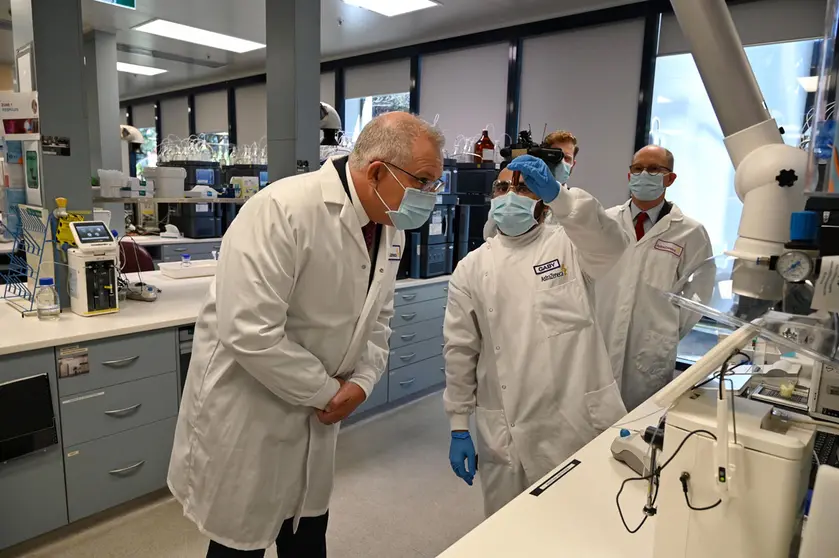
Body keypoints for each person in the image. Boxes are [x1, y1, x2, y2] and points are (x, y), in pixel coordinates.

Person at [168, 112, 445, 557]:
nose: (431, 196)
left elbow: (378, 318)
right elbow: (249, 332)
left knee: (308, 535)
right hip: (252, 412)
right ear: (377, 171)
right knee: (239, 545)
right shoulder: (282, 209)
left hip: (318, 416)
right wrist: (327, 392)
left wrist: (362, 382)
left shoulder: (389, 227)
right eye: (426, 181)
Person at [444, 155, 629, 517]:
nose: (510, 194)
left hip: (572, 420)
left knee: (581, 526)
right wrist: (458, 425)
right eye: (502, 187)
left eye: (524, 187)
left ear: (542, 201)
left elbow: (612, 245)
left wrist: (561, 195)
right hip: (507, 426)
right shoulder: (472, 267)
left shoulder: (569, 246)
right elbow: (459, 349)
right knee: (509, 529)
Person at [596, 145, 715, 411]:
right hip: (601, 342)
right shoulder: (607, 221)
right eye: (638, 169)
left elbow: (699, 294)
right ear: (629, 176)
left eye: (653, 169)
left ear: (670, 179)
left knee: (638, 430)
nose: (644, 174)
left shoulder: (690, 232)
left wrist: (664, 332)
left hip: (649, 353)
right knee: (592, 428)